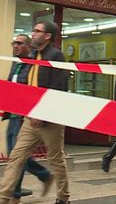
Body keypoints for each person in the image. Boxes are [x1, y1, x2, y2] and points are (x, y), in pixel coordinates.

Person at [0, 21, 70, 204]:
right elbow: (25, 85)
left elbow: (58, 87)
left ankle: (63, 197)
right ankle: (4, 197)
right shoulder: (32, 55)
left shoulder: (56, 56)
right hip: (29, 119)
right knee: (16, 157)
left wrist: (42, 113)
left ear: (47, 36)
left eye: (37, 31)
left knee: (56, 159)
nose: (33, 34)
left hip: (50, 119)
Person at [3, 34, 52, 203]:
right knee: (15, 155)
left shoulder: (32, 65)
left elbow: (33, 90)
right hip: (12, 115)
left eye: (19, 43)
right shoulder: (16, 64)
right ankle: (44, 174)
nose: (15, 46)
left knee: (17, 156)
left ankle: (14, 195)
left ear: (29, 47)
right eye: (14, 43)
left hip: (25, 118)